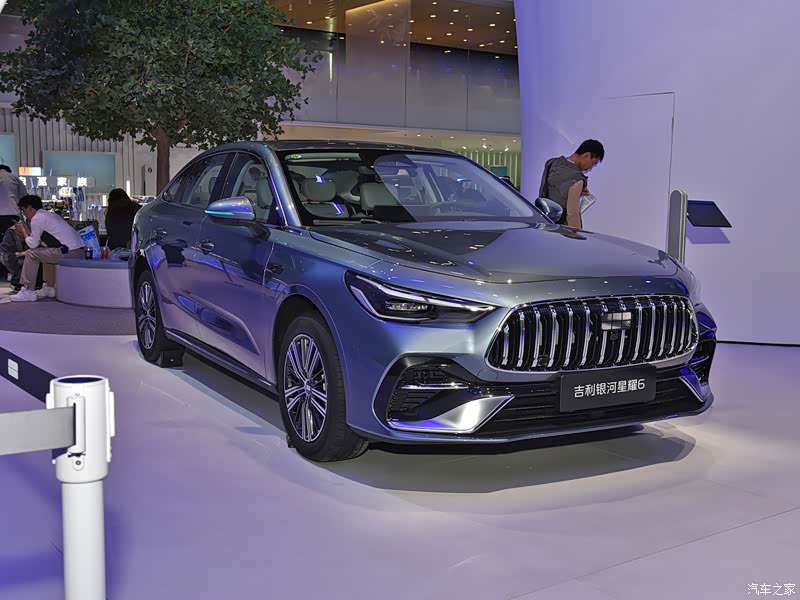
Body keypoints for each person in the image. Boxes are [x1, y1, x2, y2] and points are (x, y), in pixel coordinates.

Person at [9, 194, 84, 302]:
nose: (24, 214)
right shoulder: (48, 215)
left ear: (30, 208)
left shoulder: (37, 218)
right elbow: (42, 241)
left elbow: (32, 245)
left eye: (23, 211)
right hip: (77, 251)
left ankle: (28, 291)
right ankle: (49, 287)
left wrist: (23, 231)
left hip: (68, 252)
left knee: (31, 253)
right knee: (44, 252)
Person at [539, 139, 605, 229]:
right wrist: (577, 234)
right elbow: (572, 215)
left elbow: (549, 190)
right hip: (562, 230)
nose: (590, 168)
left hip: (544, 223)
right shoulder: (577, 179)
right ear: (587, 155)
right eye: (593, 163)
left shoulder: (551, 163)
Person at [0, 165, 28, 279]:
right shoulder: (14, 178)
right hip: (11, 215)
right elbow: (24, 198)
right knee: (12, 244)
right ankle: (11, 272)